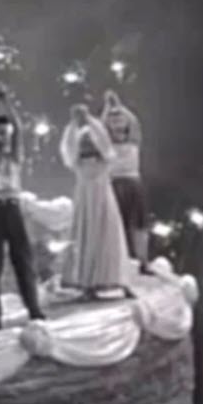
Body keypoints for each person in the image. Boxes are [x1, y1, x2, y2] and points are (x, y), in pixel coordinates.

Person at [0, 83, 46, 330]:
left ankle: (34, 309)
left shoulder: (14, 157)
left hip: (13, 209)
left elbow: (17, 129)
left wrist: (5, 102)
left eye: (2, 134)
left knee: (23, 261)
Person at [59, 105, 135, 300]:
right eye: (84, 142)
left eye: (90, 142)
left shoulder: (104, 158)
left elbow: (104, 142)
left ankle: (120, 281)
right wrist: (75, 123)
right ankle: (87, 285)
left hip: (102, 196)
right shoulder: (78, 162)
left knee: (108, 233)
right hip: (85, 197)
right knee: (86, 235)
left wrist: (89, 120)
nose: (88, 145)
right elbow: (69, 149)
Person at [101, 90, 151, 274]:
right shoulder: (106, 143)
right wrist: (109, 108)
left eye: (119, 120)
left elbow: (134, 122)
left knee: (140, 225)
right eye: (113, 121)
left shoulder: (133, 141)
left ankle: (143, 261)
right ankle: (118, 261)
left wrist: (118, 105)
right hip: (115, 184)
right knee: (117, 225)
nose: (117, 124)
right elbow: (101, 126)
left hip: (133, 183)